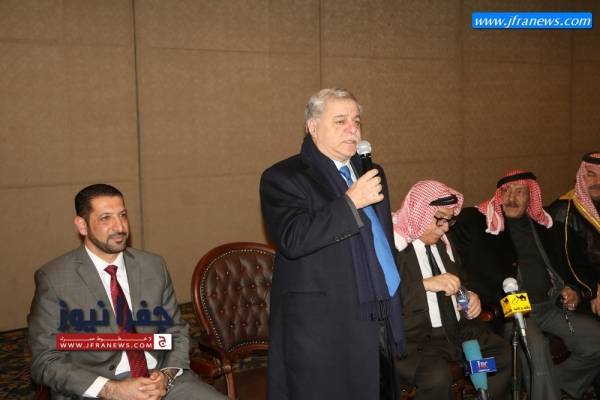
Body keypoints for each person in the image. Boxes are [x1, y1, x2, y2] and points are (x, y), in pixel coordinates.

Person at [260, 88, 406, 399]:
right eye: (340, 121)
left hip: (376, 310)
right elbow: (293, 238)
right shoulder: (283, 177)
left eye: (356, 121)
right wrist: (350, 203)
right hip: (322, 325)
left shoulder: (371, 172)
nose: (352, 129)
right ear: (313, 127)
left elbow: (381, 240)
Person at [28, 184, 225, 400]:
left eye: (122, 215)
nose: (120, 226)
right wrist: (113, 389)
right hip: (97, 389)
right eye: (106, 218)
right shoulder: (55, 278)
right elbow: (45, 360)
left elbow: (175, 331)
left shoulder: (153, 266)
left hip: (161, 381)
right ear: (82, 225)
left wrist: (166, 376)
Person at [450, 169, 600, 400]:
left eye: (520, 192)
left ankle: (557, 383)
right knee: (536, 346)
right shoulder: (484, 226)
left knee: (595, 338)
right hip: (512, 312)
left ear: (532, 196)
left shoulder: (546, 228)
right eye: (506, 191)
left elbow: (573, 266)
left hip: (551, 305)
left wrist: (574, 290)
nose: (511, 198)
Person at [392, 180, 511, 400]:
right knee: (438, 377)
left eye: (449, 220)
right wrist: (425, 285)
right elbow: (382, 302)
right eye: (439, 219)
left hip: (457, 331)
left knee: (502, 354)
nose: (446, 228)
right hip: (417, 340)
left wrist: (471, 296)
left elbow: (461, 281)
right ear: (419, 214)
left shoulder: (444, 243)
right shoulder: (393, 250)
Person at [547, 152, 600, 316]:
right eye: (591, 175)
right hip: (581, 291)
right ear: (580, 177)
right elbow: (567, 265)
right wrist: (593, 290)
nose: (598, 182)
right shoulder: (563, 211)